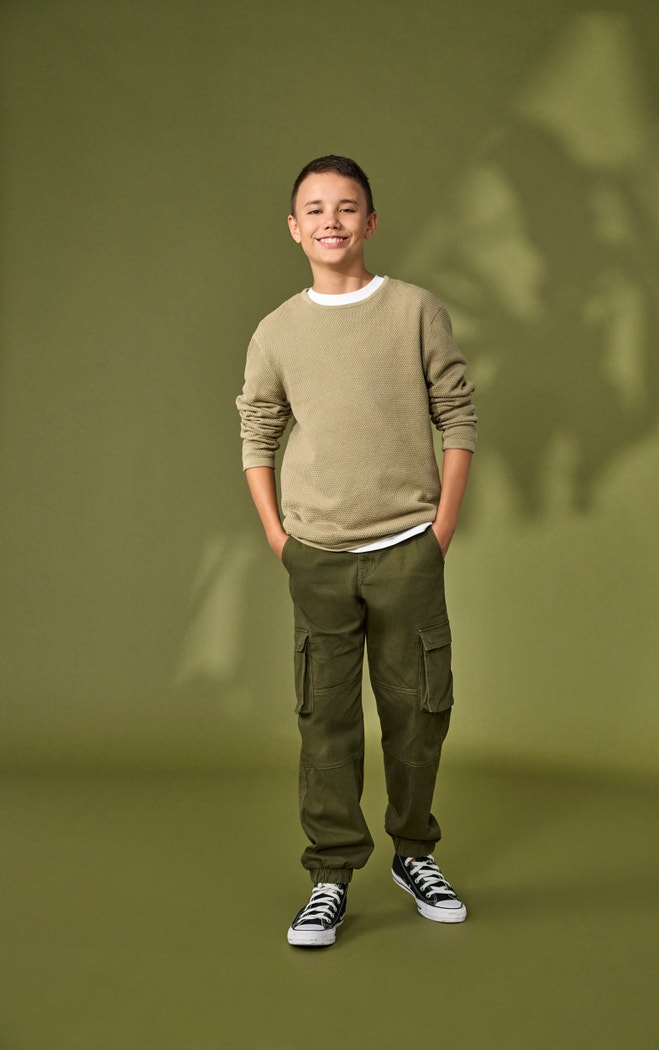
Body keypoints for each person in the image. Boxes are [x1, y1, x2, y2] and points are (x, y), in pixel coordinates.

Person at [236, 155, 477, 947]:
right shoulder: (277, 331)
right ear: (294, 227)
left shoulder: (415, 311)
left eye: (346, 207)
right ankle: (330, 876)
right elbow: (258, 434)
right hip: (317, 556)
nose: (331, 221)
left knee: (418, 714)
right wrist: (278, 537)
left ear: (370, 222)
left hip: (409, 548)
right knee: (326, 722)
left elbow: (457, 416)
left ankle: (415, 854)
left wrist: (440, 529)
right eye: (315, 209)